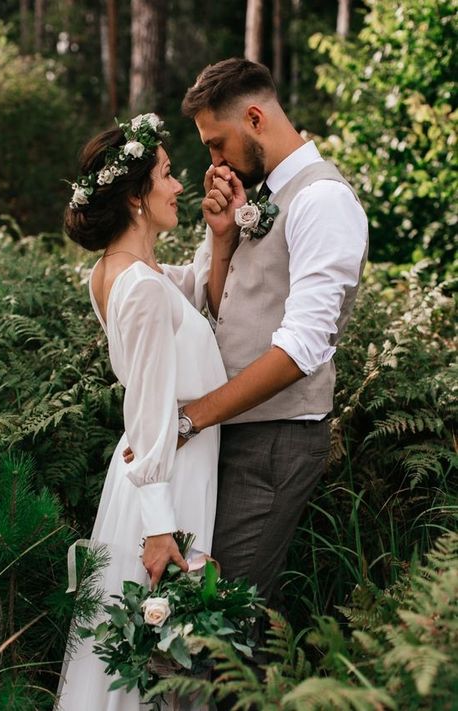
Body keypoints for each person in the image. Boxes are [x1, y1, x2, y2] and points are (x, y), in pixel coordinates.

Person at [128, 58, 369, 608]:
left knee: (225, 619)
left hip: (274, 441)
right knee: (202, 609)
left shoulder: (322, 200)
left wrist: (189, 419)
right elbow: (215, 313)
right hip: (230, 431)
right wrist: (221, 242)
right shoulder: (259, 197)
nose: (213, 161)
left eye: (217, 143)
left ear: (255, 118)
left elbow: (301, 350)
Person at [55, 113, 226, 711]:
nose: (178, 186)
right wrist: (160, 529)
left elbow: (198, 286)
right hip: (164, 487)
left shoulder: (119, 273)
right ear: (135, 197)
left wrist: (220, 233)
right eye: (168, 174)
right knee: (154, 665)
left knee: (147, 663)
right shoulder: (144, 289)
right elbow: (149, 404)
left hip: (160, 475)